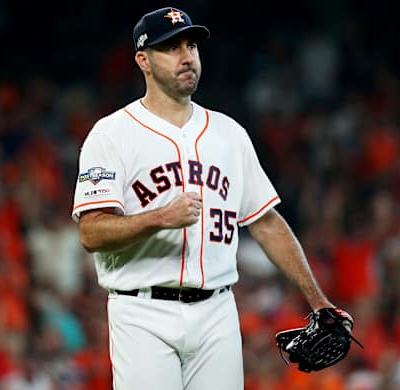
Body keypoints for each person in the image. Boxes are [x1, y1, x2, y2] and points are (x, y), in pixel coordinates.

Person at [71, 6, 353, 390]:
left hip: (218, 311)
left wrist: (318, 301)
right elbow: (91, 232)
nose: (186, 56)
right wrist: (159, 218)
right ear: (144, 61)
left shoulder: (229, 134)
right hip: (142, 311)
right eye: (171, 47)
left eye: (191, 45)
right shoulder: (111, 135)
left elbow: (267, 223)